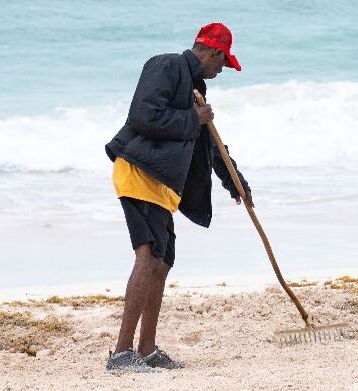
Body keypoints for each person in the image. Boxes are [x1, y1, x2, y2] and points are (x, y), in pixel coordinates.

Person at [103, 23, 251, 372]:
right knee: (149, 256)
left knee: (163, 260)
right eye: (223, 62)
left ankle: (147, 350)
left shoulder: (196, 89)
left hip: (162, 183)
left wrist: (237, 185)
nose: (222, 69)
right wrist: (192, 117)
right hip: (140, 171)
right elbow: (143, 115)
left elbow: (212, 147)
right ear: (213, 52)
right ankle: (122, 354)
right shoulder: (167, 65)